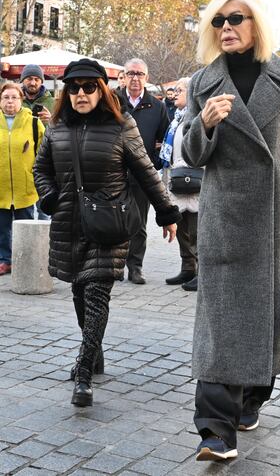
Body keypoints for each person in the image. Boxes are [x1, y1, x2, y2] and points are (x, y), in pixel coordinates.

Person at [181, 0, 280, 462]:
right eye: (218, 21)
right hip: (224, 220)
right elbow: (191, 155)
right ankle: (214, 431)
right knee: (219, 324)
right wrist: (205, 124)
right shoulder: (203, 82)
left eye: (236, 18)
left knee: (268, 319)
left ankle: (251, 398)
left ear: (256, 23)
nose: (226, 28)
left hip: (276, 219)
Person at [33, 58, 180, 407]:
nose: (80, 93)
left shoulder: (120, 125)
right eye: (73, 88)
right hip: (69, 224)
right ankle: (93, 349)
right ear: (66, 92)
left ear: (100, 90)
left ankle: (83, 374)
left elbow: (146, 171)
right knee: (80, 293)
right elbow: (41, 168)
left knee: (97, 293)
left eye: (88, 87)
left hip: (109, 224)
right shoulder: (56, 128)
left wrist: (167, 213)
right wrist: (49, 195)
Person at [117, 58, 170, 285]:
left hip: (141, 175)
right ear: (125, 76)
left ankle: (135, 266)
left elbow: (165, 138)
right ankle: (116, 265)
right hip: (114, 173)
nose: (135, 78)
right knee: (114, 220)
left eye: (139, 74)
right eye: (131, 73)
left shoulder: (156, 106)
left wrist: (154, 163)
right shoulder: (112, 101)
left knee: (138, 223)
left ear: (146, 78)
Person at [0, 82, 45, 275]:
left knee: (25, 228)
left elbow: (44, 154)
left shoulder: (34, 122)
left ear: (21, 100)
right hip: (1, 188)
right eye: (6, 97)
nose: (10, 102)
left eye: (14, 98)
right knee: (2, 230)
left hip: (25, 188)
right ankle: (5, 260)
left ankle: (26, 260)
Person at [160, 78, 199, 291]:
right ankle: (188, 268)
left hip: (192, 179)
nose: (175, 93)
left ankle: (202, 272)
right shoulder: (176, 118)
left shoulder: (197, 117)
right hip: (176, 178)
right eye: (174, 90)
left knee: (196, 229)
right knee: (181, 226)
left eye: (180, 90)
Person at [21, 63, 55, 220]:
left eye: (36, 79)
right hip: (21, 161)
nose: (33, 82)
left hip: (46, 160)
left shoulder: (53, 102)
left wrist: (52, 120)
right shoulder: (15, 99)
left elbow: (65, 128)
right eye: (29, 79)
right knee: (23, 208)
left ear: (42, 81)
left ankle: (43, 244)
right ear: (23, 80)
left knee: (45, 208)